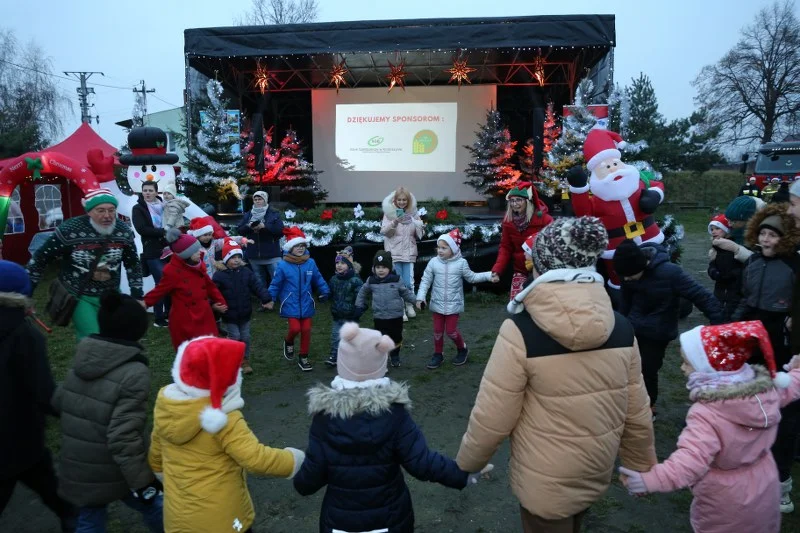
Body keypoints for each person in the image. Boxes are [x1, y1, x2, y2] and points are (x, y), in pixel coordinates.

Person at [457, 217, 656, 532]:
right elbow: (637, 408)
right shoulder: (620, 326)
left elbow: (492, 415)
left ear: (543, 266)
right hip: (595, 466)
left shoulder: (520, 330)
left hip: (543, 478)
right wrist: (640, 465)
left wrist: (467, 464)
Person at [293, 323, 490, 533]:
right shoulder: (395, 415)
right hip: (390, 519)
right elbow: (422, 463)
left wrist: (297, 470)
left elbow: (308, 481)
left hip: (340, 523)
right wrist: (463, 474)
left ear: (342, 363)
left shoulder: (324, 419)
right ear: (381, 364)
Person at [620, 321, 800, 533]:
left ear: (711, 370)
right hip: (763, 481)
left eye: (687, 364)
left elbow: (690, 461)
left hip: (724, 498)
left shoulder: (707, 413)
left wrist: (650, 479)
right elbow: (793, 384)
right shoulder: (766, 391)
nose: (682, 368)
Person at [149, 336, 305, 533]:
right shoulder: (224, 419)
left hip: (178, 518)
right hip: (222, 521)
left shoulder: (167, 408)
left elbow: (155, 457)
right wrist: (295, 460)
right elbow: (256, 458)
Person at [53, 290, 163, 532]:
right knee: (158, 506)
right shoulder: (134, 372)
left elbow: (60, 401)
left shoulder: (84, 356)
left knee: (89, 519)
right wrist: (144, 482)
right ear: (137, 330)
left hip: (77, 464)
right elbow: (123, 437)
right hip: (114, 468)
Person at [731, 203, 800, 511]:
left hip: (783, 341)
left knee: (785, 409)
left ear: (784, 238)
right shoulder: (754, 262)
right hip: (754, 336)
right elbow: (745, 299)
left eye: (773, 235)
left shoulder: (794, 266)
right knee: (750, 399)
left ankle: (781, 483)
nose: (766, 240)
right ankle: (749, 458)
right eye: (762, 234)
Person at [0, 261, 76, 531]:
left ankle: (70, 516)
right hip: (18, 433)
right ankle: (72, 519)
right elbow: (43, 390)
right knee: (41, 478)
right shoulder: (24, 333)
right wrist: (73, 413)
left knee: (46, 481)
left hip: (17, 439)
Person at [613, 239, 724, 420]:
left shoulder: (670, 273)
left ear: (642, 266)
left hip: (658, 332)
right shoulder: (629, 273)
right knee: (628, 368)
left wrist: (719, 324)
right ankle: (629, 403)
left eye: (629, 276)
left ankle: (648, 407)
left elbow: (701, 296)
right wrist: (620, 326)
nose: (625, 280)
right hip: (633, 328)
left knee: (648, 370)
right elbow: (625, 303)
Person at [26, 189, 144, 339]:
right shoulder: (69, 230)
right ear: (89, 211)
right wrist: (27, 295)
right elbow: (40, 259)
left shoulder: (123, 231)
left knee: (115, 336)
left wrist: (137, 296)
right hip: (79, 294)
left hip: (111, 294)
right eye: (100, 211)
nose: (107, 216)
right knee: (92, 338)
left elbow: (133, 264)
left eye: (111, 210)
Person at [415, 228, 494, 369]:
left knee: (451, 331)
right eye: (438, 247)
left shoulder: (461, 263)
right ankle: (438, 354)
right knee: (437, 331)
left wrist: (489, 275)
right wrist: (420, 297)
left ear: (453, 248)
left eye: (444, 248)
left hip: (454, 305)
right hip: (437, 304)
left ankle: (462, 349)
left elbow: (472, 277)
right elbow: (425, 280)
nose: (440, 250)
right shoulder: (433, 262)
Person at [144, 228, 228, 350]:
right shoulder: (172, 271)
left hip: (204, 314)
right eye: (195, 251)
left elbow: (210, 285)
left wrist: (220, 301)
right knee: (190, 351)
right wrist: (145, 303)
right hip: (186, 319)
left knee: (209, 347)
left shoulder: (199, 265)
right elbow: (160, 290)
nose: (199, 253)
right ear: (185, 255)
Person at [268, 226, 329, 372]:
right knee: (295, 328)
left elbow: (318, 278)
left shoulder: (310, 263)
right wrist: (269, 298)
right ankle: (289, 341)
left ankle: (303, 356)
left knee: (306, 329)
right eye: (297, 246)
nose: (300, 249)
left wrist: (324, 290)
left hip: (306, 302)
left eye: (302, 246)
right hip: (290, 302)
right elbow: (275, 283)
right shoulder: (283, 265)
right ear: (290, 248)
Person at [212, 239, 273, 375]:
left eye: (239, 257)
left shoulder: (246, 272)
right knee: (235, 336)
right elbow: (213, 293)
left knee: (245, 337)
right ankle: (235, 360)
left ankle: (244, 359)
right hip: (229, 315)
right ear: (226, 258)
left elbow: (257, 286)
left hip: (245, 313)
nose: (237, 260)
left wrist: (266, 298)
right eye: (233, 257)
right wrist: (214, 305)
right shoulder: (219, 276)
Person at [490, 183, 553, 299]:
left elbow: (552, 245)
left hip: (541, 269)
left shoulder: (545, 219)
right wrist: (497, 269)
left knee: (540, 304)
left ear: (528, 201)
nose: (514, 204)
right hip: (520, 269)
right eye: (512, 201)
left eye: (518, 200)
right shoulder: (508, 221)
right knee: (516, 302)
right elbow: (505, 247)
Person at [355, 250, 416, 368]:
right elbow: (362, 292)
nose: (381, 270)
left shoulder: (396, 280)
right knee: (381, 338)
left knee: (396, 337)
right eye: (378, 267)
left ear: (389, 268)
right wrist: (359, 305)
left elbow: (406, 293)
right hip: (380, 316)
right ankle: (382, 359)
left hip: (396, 316)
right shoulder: (371, 281)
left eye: (383, 267)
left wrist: (417, 301)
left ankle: (395, 355)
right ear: (374, 268)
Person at [380, 186, 425, 321]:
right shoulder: (389, 214)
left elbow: (420, 235)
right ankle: (400, 308)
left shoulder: (414, 213)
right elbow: (384, 232)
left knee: (409, 282)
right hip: (394, 252)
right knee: (397, 282)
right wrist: (394, 222)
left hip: (409, 253)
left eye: (404, 200)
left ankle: (409, 305)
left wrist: (419, 225)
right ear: (395, 200)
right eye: (399, 199)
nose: (402, 202)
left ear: (408, 200)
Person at [131, 181, 169, 328]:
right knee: (160, 284)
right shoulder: (138, 208)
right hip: (152, 251)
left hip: (168, 248)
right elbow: (142, 229)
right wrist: (163, 232)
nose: (147, 193)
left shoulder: (164, 205)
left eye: (150, 190)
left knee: (169, 282)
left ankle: (169, 314)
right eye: (144, 190)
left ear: (156, 192)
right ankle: (159, 318)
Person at [237, 191, 284, 289]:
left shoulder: (274, 213)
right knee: (259, 279)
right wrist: (249, 226)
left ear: (265, 200)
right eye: (255, 199)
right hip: (254, 254)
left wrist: (265, 227)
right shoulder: (248, 214)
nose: (257, 201)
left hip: (272, 254)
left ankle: (280, 298)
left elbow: (280, 231)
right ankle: (264, 299)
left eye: (260, 199)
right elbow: (240, 230)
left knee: (277, 278)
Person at [325, 246, 363, 367]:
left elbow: (361, 296)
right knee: (336, 336)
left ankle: (352, 357)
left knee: (351, 337)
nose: (339, 265)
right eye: (337, 263)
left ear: (349, 265)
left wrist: (359, 308)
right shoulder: (334, 279)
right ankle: (334, 355)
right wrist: (324, 296)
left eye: (342, 263)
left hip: (351, 315)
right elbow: (330, 292)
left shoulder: (355, 280)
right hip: (337, 314)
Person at [707, 214, 743, 322]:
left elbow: (741, 266)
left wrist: (732, 274)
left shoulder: (734, 247)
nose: (714, 231)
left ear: (726, 230)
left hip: (733, 291)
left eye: (717, 228)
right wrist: (713, 272)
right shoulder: (716, 248)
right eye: (712, 229)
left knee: (729, 317)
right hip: (720, 289)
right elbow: (712, 265)